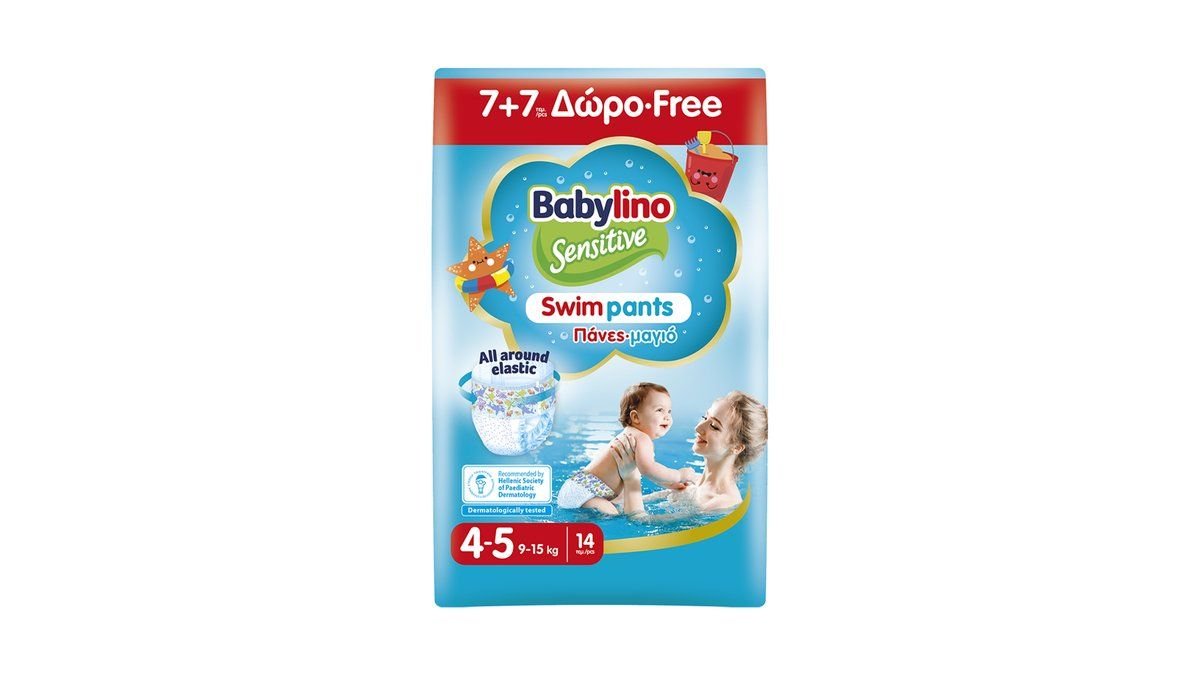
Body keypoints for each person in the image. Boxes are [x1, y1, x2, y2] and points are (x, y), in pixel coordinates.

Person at [611, 391, 767, 517]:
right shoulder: (693, 480)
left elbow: (642, 523)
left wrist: (631, 478)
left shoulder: (722, 503)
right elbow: (624, 505)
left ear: (737, 447)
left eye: (713, 426)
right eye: (705, 417)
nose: (698, 428)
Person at [556, 382, 697, 514]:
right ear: (635, 417)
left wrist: (669, 484)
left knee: (615, 505)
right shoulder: (641, 438)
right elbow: (648, 469)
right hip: (585, 492)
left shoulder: (630, 435)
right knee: (613, 514)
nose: (667, 417)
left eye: (669, 411)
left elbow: (648, 471)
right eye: (660, 410)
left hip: (579, 488)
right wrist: (679, 475)